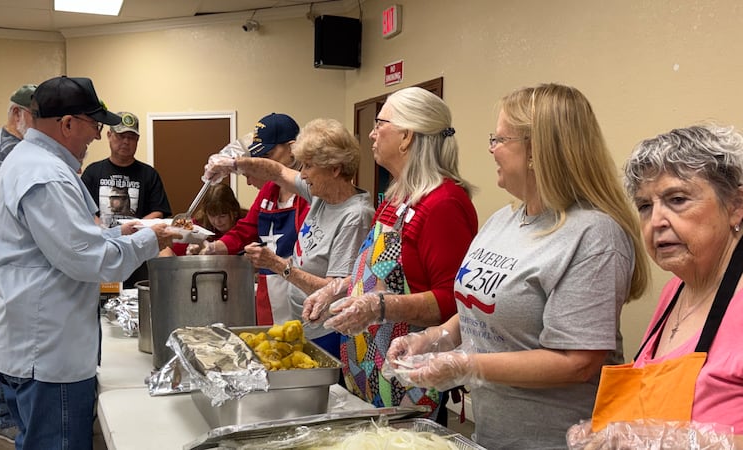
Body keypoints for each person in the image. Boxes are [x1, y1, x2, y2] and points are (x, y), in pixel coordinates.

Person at [382, 83, 650, 449]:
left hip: (557, 439)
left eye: (500, 139)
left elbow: (577, 363)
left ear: (536, 152)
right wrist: (432, 339)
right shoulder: (503, 220)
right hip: (493, 434)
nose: (491, 148)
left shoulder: (594, 235)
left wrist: (467, 365)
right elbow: (483, 305)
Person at [0, 76, 178, 449]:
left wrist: (124, 232)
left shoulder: (32, 162)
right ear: (68, 123)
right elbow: (91, 261)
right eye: (95, 125)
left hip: (29, 341)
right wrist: (151, 238)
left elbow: (65, 242)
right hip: (48, 353)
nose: (96, 135)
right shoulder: (46, 175)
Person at [301, 87, 479, 424]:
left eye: (380, 123)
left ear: (406, 137)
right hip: (367, 373)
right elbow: (377, 272)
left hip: (406, 379)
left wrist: (380, 307)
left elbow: (454, 302)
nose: (371, 133)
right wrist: (339, 289)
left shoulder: (444, 203)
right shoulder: (397, 197)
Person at [567, 124, 743, 448]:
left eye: (677, 199)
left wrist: (675, 442)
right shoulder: (675, 290)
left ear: (736, 206)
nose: (656, 221)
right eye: (645, 206)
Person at [205, 118, 374, 358]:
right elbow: (276, 171)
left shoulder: (354, 216)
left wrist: (277, 265)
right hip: (306, 324)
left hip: (330, 332)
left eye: (308, 167)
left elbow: (335, 290)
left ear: (334, 169)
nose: (302, 175)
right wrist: (233, 164)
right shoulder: (321, 195)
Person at [192, 113, 310, 326]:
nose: (264, 162)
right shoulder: (269, 191)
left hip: (301, 291)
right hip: (269, 293)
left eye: (269, 153)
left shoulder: (310, 192)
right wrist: (216, 247)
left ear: (292, 148)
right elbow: (247, 228)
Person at [0, 83, 36, 444]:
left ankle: (7, 410)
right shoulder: (7, 149)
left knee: (7, 337)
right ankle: (4, 414)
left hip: (2, 256)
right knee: (6, 341)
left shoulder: (12, 145)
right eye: (34, 115)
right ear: (16, 114)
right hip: (3, 258)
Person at [81, 111, 172, 288]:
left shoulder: (149, 174)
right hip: (102, 253)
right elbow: (84, 210)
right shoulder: (93, 172)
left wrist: (135, 229)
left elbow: (158, 211)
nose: (126, 142)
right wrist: (104, 233)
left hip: (138, 254)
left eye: (131, 137)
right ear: (109, 135)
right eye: (121, 136)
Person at [165, 183, 245, 256]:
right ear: (206, 213)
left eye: (222, 216)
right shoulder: (197, 225)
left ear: (235, 212)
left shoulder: (247, 225)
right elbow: (166, 249)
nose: (217, 222)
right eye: (212, 216)